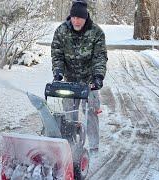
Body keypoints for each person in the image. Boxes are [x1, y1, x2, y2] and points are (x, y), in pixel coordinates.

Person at [51, 0, 108, 153]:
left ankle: (94, 147)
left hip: (89, 82)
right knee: (69, 114)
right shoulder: (61, 31)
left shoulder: (96, 32)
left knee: (91, 113)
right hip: (69, 80)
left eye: (80, 18)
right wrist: (58, 72)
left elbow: (100, 57)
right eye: (74, 17)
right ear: (70, 16)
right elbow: (57, 54)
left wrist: (98, 76)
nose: (76, 21)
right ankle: (71, 145)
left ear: (86, 18)